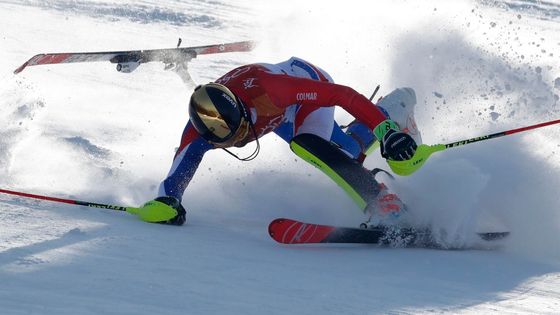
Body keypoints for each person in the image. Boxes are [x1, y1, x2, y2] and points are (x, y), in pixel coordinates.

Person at [135, 57, 422, 227]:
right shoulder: (203, 126)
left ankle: (382, 199)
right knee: (348, 151)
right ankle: (394, 111)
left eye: (238, 133)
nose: (236, 142)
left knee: (308, 143)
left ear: (244, 115)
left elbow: (342, 95)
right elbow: (181, 165)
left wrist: (386, 133)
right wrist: (169, 200)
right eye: (224, 141)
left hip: (303, 84)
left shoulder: (271, 91)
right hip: (277, 114)